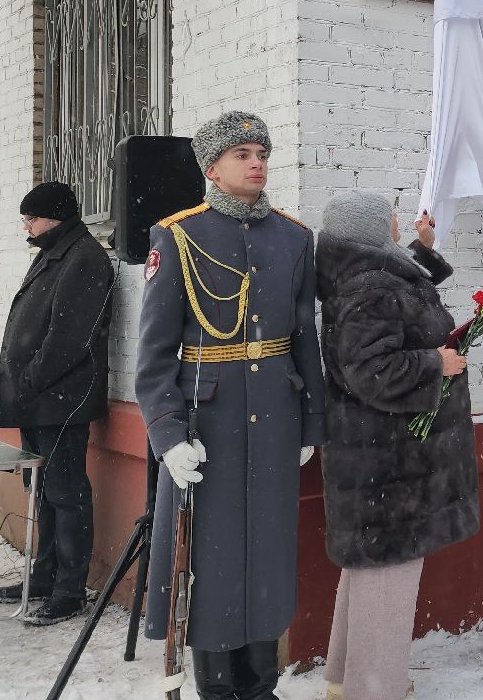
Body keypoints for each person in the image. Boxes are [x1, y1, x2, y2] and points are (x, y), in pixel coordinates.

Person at [136, 112, 325, 700]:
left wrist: (310, 422)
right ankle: (215, 688)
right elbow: (155, 352)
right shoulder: (178, 235)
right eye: (242, 153)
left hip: (274, 419)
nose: (256, 161)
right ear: (212, 168)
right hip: (205, 425)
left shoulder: (294, 237)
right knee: (209, 561)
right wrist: (167, 434)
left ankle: (260, 684)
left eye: (261, 151)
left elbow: (302, 337)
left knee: (268, 553)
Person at [316, 192, 479, 700]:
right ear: (368, 228)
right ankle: (376, 688)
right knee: (390, 572)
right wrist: (438, 364)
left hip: (376, 452)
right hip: (390, 457)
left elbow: (402, 292)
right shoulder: (369, 287)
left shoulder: (364, 276)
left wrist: (423, 249)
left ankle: (346, 679)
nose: (395, 217)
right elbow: (371, 371)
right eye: (386, 214)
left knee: (368, 567)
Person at [0, 180, 113, 626]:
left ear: (56, 216)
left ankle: (69, 590)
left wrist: (30, 379)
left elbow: (70, 338)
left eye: (32, 218)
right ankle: (45, 576)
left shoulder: (85, 259)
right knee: (43, 491)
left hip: (59, 398)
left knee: (66, 492)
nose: (27, 226)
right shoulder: (55, 252)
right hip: (39, 397)